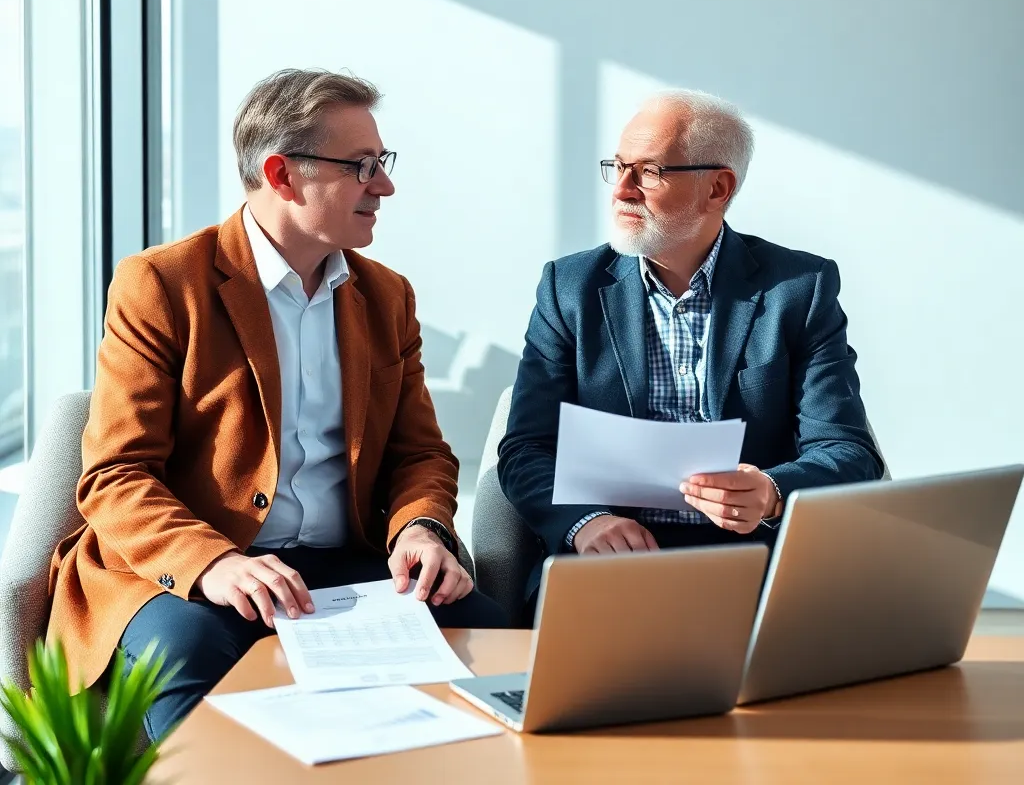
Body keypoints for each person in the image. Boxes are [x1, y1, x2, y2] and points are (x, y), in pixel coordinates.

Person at [47, 68, 506, 740]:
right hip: (187, 572)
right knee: (189, 657)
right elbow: (116, 476)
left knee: (499, 640)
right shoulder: (163, 285)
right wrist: (215, 563)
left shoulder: (387, 296)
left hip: (347, 568)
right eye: (364, 166)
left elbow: (420, 454)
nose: (385, 186)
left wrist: (421, 529)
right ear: (283, 174)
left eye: (384, 163)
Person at [497, 89, 884, 621]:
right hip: (609, 564)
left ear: (718, 187)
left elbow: (847, 451)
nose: (623, 190)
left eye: (649, 171)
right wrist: (584, 522)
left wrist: (770, 491)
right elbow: (525, 448)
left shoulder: (799, 289)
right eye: (618, 167)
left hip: (753, 565)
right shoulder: (570, 287)